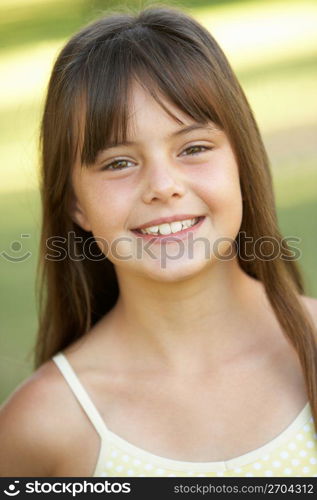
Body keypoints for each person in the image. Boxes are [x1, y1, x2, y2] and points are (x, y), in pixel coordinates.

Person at [1, 6, 317, 478]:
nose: (163, 185)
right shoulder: (46, 425)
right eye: (118, 163)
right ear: (75, 204)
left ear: (242, 163)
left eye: (193, 149)